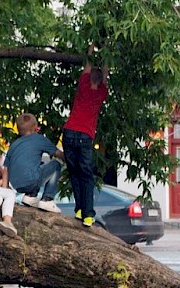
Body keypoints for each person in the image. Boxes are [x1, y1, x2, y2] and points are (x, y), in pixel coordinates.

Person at [62, 46, 108, 228]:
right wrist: (107, 55)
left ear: (88, 78)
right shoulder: (101, 93)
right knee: (86, 175)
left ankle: (79, 209)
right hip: (84, 136)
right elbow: (105, 72)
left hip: (69, 132)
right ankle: (88, 215)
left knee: (74, 173)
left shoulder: (82, 85)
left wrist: (90, 49)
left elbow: (87, 65)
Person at [4, 113, 64, 213]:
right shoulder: (39, 139)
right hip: (31, 180)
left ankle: (30, 196)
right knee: (55, 165)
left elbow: (5, 168)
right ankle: (47, 199)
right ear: (36, 127)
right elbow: (58, 154)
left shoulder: (14, 145)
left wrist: (5, 190)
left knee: (38, 164)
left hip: (16, 185)